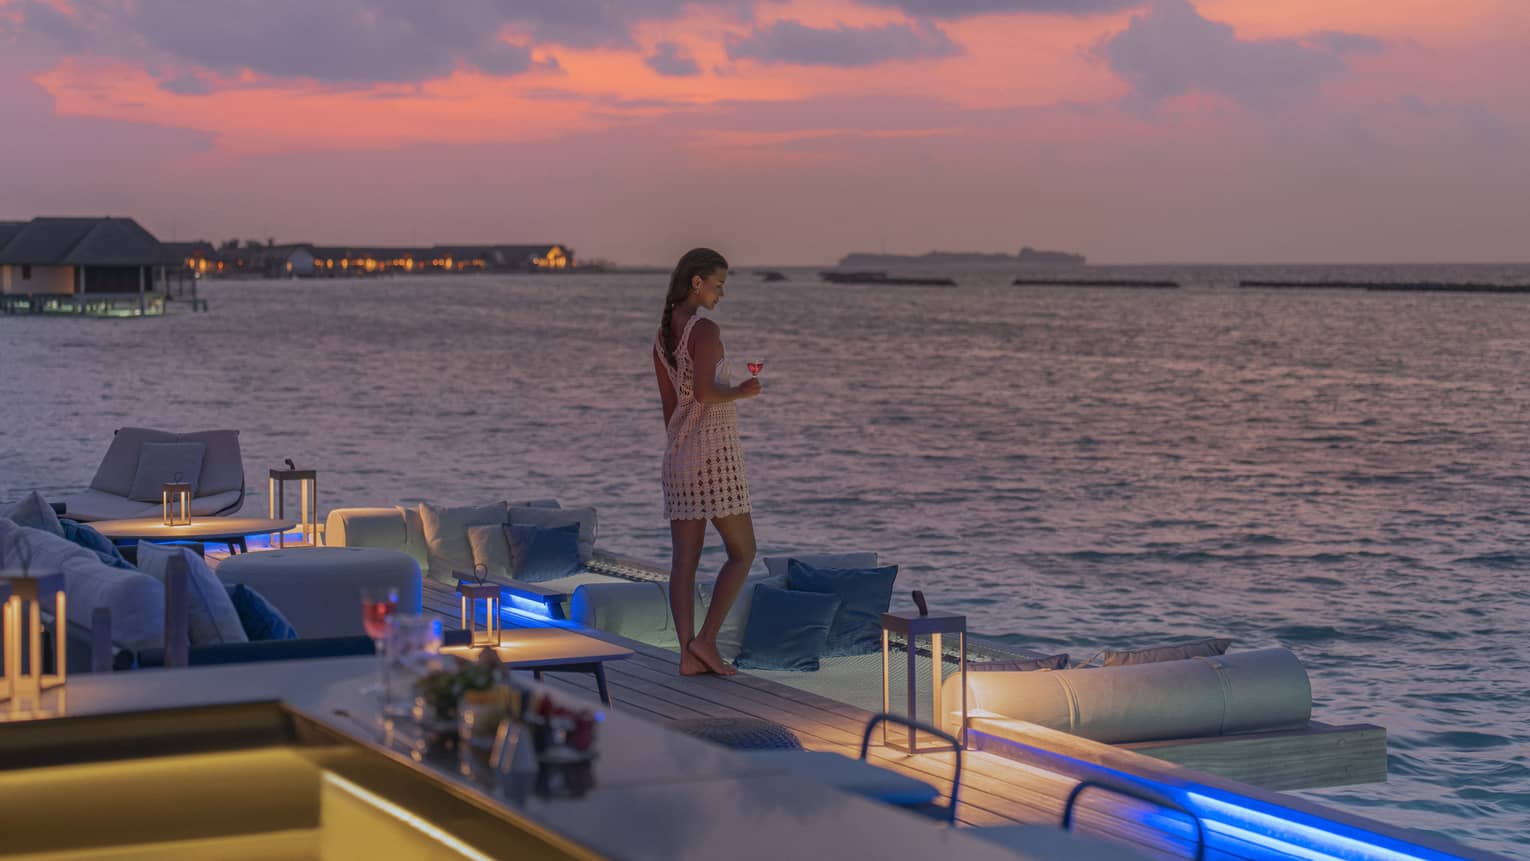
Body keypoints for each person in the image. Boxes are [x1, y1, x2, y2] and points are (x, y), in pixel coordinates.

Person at [652, 248, 761, 676]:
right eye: (719, 285)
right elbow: (703, 394)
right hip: (713, 460)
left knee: (684, 561)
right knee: (743, 552)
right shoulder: (705, 329)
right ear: (697, 282)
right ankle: (707, 641)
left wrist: (679, 449)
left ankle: (687, 655)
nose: (722, 294)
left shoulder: (662, 336)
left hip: (678, 458)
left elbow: (670, 406)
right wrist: (742, 391)